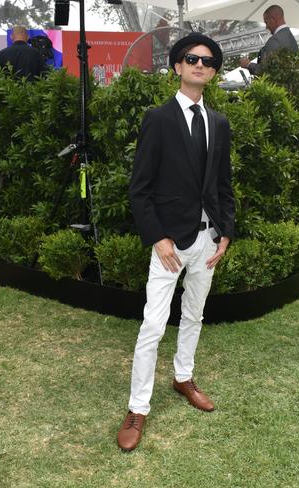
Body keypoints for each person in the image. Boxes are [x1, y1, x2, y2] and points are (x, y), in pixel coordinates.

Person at [117, 33, 235, 452]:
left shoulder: (218, 123)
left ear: (214, 71)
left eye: (207, 60)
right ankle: (138, 408)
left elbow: (223, 186)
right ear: (177, 67)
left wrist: (226, 233)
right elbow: (140, 189)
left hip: (208, 240)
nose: (199, 64)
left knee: (194, 316)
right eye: (191, 58)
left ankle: (183, 377)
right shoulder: (159, 118)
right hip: (169, 245)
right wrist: (158, 239)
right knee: (152, 325)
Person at [240, 5, 298, 75]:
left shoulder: (275, 40)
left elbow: (265, 71)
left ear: (273, 19)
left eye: (266, 22)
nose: (266, 27)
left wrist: (248, 64)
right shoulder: (291, 38)